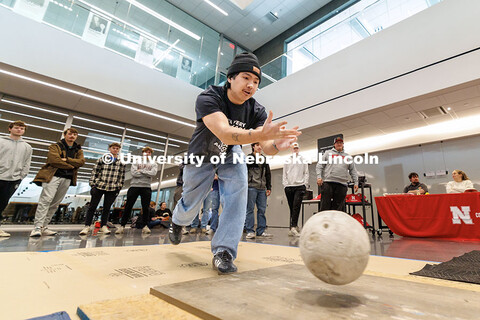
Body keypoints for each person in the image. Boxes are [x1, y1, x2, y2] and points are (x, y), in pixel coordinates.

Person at [168, 52, 300, 275]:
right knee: (191, 200)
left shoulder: (256, 110)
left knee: (239, 192)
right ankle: (177, 221)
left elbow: (265, 148)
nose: (251, 85)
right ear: (230, 78)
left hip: (231, 153)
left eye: (256, 81)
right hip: (202, 153)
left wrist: (276, 145)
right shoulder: (209, 97)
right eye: (246, 77)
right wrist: (258, 134)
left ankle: (224, 251)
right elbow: (225, 133)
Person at [30, 128, 84, 237]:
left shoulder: (78, 150)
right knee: (46, 200)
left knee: (55, 204)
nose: (72, 136)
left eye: (74, 134)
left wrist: (67, 160)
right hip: (53, 176)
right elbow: (53, 160)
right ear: (65, 135)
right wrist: (71, 166)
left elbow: (81, 162)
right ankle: (37, 227)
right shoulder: (55, 146)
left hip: (67, 178)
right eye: (70, 134)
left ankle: (44, 226)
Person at [80, 142, 125, 235]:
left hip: (113, 188)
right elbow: (94, 172)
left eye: (117, 148)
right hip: (99, 186)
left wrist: (119, 187)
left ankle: (103, 226)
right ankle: (87, 226)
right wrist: (92, 185)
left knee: (107, 208)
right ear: (109, 149)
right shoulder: (101, 160)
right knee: (92, 207)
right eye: (113, 148)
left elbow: (121, 176)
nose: (115, 150)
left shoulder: (121, 163)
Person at [0, 120, 32, 237]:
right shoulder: (1, 141)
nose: (19, 130)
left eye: (22, 128)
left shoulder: (27, 147)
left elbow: (26, 163)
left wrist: (21, 176)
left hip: (13, 179)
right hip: (0, 176)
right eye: (17, 127)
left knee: (2, 204)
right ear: (10, 128)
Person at [116, 147, 158, 234]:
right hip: (134, 186)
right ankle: (122, 226)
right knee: (128, 206)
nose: (147, 153)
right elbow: (134, 173)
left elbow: (153, 173)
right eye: (146, 152)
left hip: (146, 187)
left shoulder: (154, 163)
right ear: (143, 153)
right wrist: (146, 172)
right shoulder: (136, 162)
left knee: (146, 208)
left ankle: (145, 226)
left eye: (149, 152)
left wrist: (141, 171)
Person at [316, 137, 358, 213]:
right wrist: (319, 177)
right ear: (334, 144)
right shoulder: (328, 153)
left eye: (341, 143)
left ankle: (334, 223)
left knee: (338, 207)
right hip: (328, 182)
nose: (339, 144)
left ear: (343, 145)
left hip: (342, 184)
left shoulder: (348, 156)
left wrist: (356, 182)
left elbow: (353, 170)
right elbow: (319, 165)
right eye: (337, 143)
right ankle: (323, 222)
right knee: (325, 205)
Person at [245, 142, 272, 239]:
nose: (260, 147)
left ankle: (261, 231)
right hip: (251, 187)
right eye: (257, 145)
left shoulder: (264, 159)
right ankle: (250, 231)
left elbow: (268, 174)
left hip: (262, 188)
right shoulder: (249, 158)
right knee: (250, 209)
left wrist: (269, 187)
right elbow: (244, 172)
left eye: (260, 145)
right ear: (253, 147)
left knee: (262, 210)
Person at [283, 142, 309, 237]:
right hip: (289, 187)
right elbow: (284, 174)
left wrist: (305, 184)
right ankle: (293, 227)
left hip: (300, 186)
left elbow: (306, 173)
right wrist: (285, 185)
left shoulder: (303, 160)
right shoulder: (287, 160)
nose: (295, 149)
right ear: (291, 149)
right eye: (294, 148)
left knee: (296, 207)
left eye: (297, 148)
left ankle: (293, 227)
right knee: (292, 208)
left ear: (299, 149)